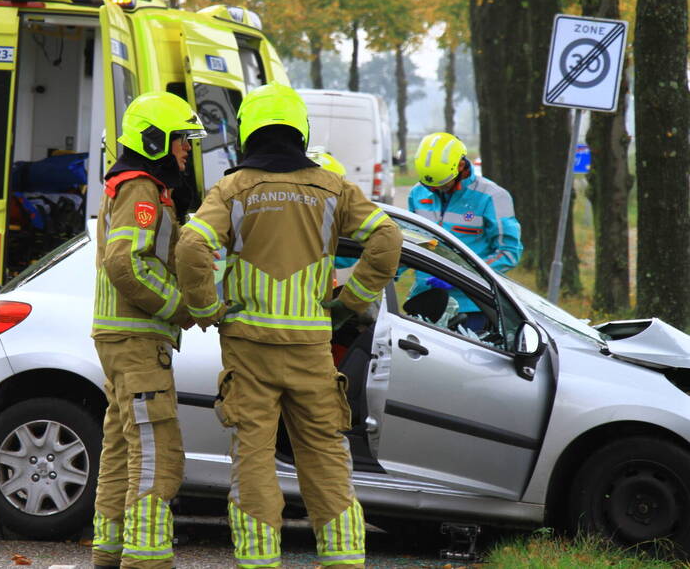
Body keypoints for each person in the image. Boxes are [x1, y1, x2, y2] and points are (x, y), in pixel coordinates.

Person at [174, 83, 402, 569]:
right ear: (300, 130)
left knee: (254, 460)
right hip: (311, 351)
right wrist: (349, 304)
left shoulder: (233, 188)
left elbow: (192, 246)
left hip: (249, 351)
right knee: (325, 457)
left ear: (248, 131)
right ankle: (343, 559)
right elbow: (387, 237)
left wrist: (207, 308)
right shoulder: (331, 187)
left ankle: (259, 561)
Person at [90, 91, 206, 569]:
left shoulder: (138, 188)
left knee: (121, 448)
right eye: (181, 140)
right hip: (137, 340)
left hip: (121, 339)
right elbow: (127, 265)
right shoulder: (139, 190)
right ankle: (146, 559)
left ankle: (111, 550)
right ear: (156, 140)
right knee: (158, 451)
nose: (186, 150)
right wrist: (181, 306)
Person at [408, 132, 523, 332]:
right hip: (425, 301)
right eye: (430, 186)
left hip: (472, 308)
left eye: (442, 184)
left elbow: (509, 253)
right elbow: (408, 241)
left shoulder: (493, 197)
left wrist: (460, 275)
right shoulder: (418, 193)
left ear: (461, 166)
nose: (436, 190)